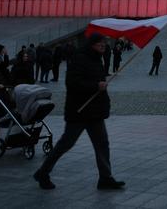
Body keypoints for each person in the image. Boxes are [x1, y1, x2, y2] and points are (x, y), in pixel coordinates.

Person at [33, 33, 125, 190]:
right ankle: (43, 172)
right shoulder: (80, 58)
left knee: (102, 144)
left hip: (94, 112)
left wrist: (103, 97)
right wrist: (95, 86)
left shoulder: (97, 59)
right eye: (100, 43)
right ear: (91, 45)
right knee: (66, 144)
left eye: (104, 43)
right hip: (79, 111)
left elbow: (99, 84)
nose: (103, 45)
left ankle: (105, 178)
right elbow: (72, 83)